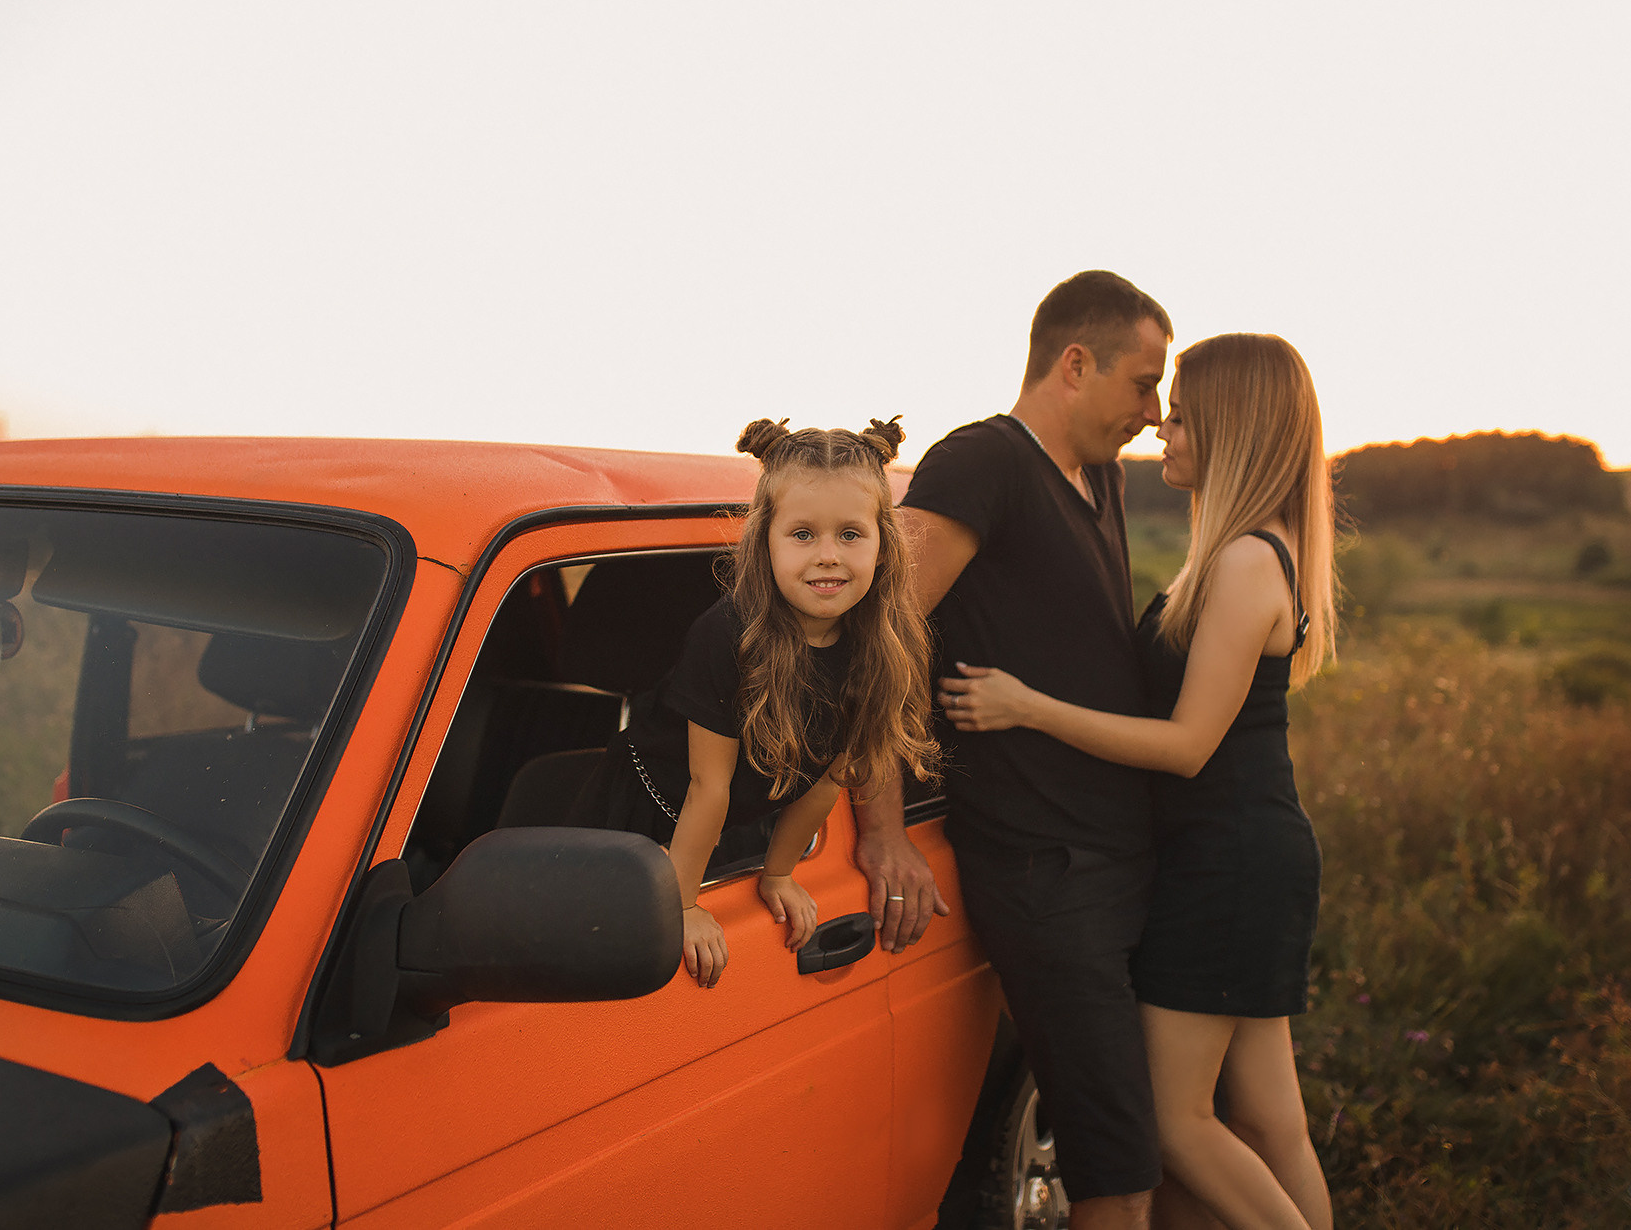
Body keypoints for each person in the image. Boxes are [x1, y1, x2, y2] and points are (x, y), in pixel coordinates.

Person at [942, 332, 1337, 1230]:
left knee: (1173, 1121)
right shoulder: (1249, 549)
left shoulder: (1243, 563)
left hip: (1225, 864)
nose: (1164, 426)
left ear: (1235, 429)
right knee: (1272, 1123)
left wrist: (1026, 706)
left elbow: (1189, 745)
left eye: (1187, 414)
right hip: (1246, 854)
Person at [898, 269, 1175, 1230]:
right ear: (1073, 362)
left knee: (1162, 1138)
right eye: (1143, 383)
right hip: (1044, 873)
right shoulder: (980, 463)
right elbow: (869, 644)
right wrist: (880, 827)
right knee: (1116, 1173)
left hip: (1123, 857)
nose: (1154, 410)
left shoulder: (1102, 474)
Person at [564, 416, 941, 988]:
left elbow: (827, 778)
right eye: (802, 534)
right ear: (764, 539)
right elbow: (706, 787)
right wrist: (683, 904)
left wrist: (779, 873)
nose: (828, 556)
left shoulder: (882, 645)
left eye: (850, 534)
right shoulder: (727, 635)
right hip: (644, 817)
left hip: (734, 824)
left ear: (883, 543)